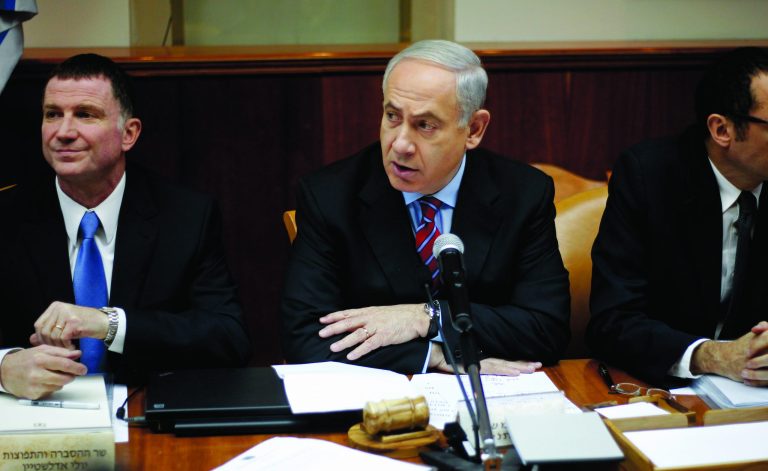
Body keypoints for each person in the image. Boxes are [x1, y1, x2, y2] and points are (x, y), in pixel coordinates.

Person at [281, 40, 570, 375]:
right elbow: (304, 339)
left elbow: (546, 328)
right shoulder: (330, 195)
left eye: (425, 125)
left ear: (473, 129)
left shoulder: (523, 193)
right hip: (379, 404)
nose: (400, 144)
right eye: (392, 116)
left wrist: (427, 317)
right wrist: (432, 355)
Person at [0, 54, 251, 399]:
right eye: (52, 114)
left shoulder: (185, 215)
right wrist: (3, 368)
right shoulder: (8, 216)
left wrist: (109, 323)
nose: (63, 132)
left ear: (128, 133)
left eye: (85, 115)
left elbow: (227, 338)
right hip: (36, 419)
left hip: (143, 410)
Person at [588, 47, 768, 387]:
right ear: (722, 129)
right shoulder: (651, 176)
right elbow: (614, 320)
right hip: (661, 386)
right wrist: (711, 355)